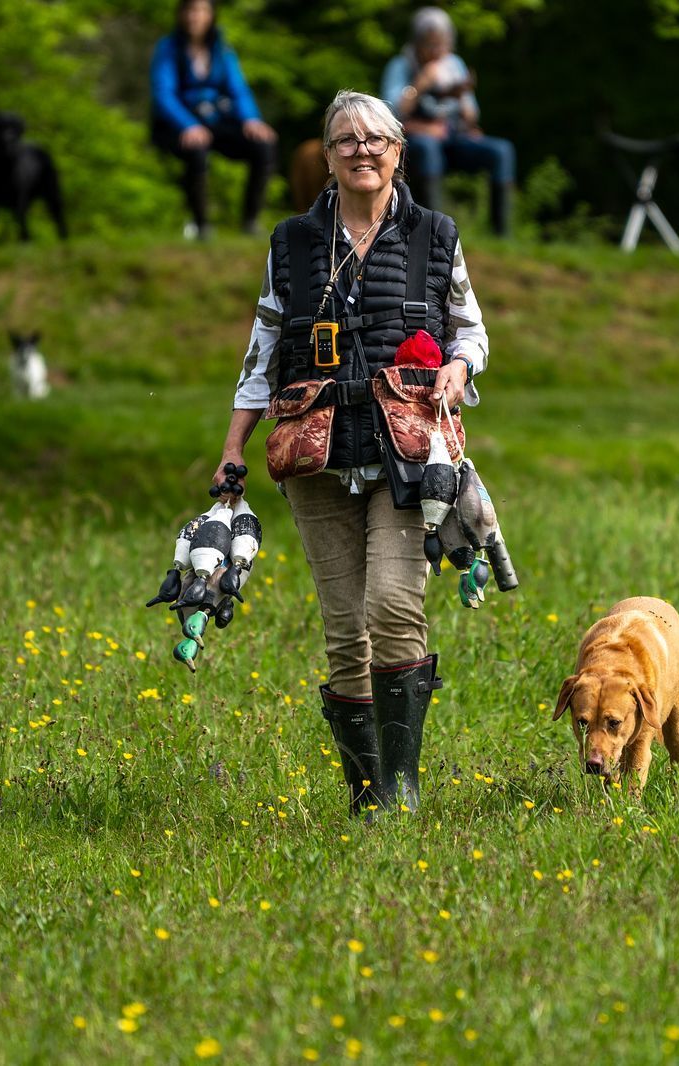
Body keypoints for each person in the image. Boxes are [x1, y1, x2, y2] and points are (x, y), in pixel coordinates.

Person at [217, 90, 490, 817]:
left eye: (375, 138)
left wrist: (460, 370)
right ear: (327, 156)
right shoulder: (292, 242)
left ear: (399, 150)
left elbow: (470, 330)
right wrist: (233, 449)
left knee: (393, 606)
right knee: (345, 628)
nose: (361, 149)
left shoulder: (436, 234)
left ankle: (402, 786)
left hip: (409, 457)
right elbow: (262, 350)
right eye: (346, 140)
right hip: (316, 455)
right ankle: (366, 793)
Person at [381, 7, 515, 237]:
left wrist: (461, 95)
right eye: (430, 45)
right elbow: (390, 113)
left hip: (455, 137)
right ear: (417, 43)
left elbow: (473, 116)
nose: (436, 51)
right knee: (427, 146)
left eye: (441, 45)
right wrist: (421, 84)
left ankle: (501, 234)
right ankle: (434, 232)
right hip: (416, 141)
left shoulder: (454, 64)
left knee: (502, 150)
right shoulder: (401, 65)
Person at [150, 0, 277, 239]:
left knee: (263, 145)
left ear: (210, 15)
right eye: (189, 10)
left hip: (217, 120)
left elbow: (237, 89)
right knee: (196, 148)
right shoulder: (168, 48)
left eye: (200, 10)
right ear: (181, 14)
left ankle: (250, 222)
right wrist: (188, 125)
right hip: (178, 125)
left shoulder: (221, 48)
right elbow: (163, 94)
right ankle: (201, 226)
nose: (194, 17)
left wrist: (251, 119)